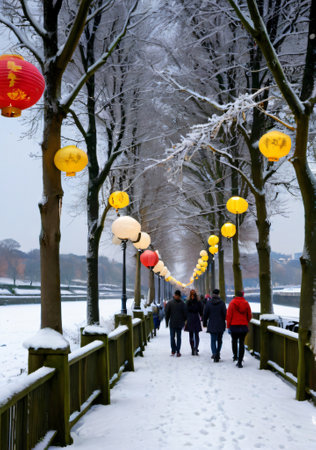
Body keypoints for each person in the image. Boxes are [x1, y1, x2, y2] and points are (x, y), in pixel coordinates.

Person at [226, 290, 252, 368]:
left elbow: (229, 316)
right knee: (241, 343)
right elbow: (249, 315)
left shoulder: (232, 303)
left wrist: (228, 326)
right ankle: (240, 361)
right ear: (242, 295)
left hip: (234, 326)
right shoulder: (246, 303)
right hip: (243, 326)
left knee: (234, 341)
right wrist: (245, 321)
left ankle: (235, 356)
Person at [203, 288, 226, 362]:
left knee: (213, 340)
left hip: (212, 324)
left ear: (212, 294)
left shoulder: (209, 303)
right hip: (220, 324)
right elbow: (225, 314)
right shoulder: (222, 303)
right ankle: (218, 352)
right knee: (219, 340)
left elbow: (205, 314)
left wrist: (204, 323)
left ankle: (214, 353)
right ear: (218, 294)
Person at [165, 290, 187, 357]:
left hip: (177, 323)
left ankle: (177, 350)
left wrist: (185, 321)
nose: (176, 296)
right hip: (174, 323)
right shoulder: (180, 303)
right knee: (173, 337)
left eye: (177, 295)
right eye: (176, 295)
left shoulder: (172, 303)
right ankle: (174, 350)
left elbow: (185, 314)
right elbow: (167, 313)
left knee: (177, 337)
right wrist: (166, 321)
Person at [185, 289, 203, 355]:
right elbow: (201, 310)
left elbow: (201, 310)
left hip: (193, 318)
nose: (192, 296)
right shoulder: (193, 302)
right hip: (192, 318)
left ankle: (195, 348)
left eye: (193, 295)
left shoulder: (192, 302)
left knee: (195, 334)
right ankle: (193, 348)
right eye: (191, 295)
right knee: (192, 335)